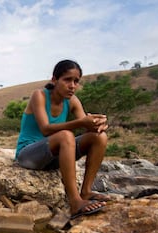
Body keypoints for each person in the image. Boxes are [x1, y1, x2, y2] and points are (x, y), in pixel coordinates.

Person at [15, 60, 110, 220]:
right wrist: (81, 122)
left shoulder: (73, 101)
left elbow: (87, 128)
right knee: (66, 135)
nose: (72, 85)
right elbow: (45, 129)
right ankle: (75, 203)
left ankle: (86, 191)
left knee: (99, 138)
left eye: (76, 81)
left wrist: (97, 125)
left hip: (54, 156)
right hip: (29, 155)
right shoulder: (39, 95)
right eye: (67, 80)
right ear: (54, 80)